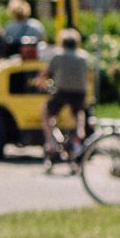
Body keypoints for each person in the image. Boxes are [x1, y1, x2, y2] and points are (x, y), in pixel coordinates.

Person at [41, 26, 93, 159]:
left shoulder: (58, 55)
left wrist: (41, 82)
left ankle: (51, 143)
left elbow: (46, 74)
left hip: (62, 91)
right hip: (80, 93)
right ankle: (80, 132)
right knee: (79, 112)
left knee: (46, 112)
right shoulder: (83, 56)